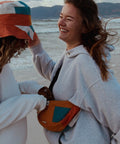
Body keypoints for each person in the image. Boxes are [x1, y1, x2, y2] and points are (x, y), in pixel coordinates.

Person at [30, 0, 120, 144]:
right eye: (61, 16)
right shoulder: (73, 54)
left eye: (69, 19)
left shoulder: (87, 64)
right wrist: (36, 48)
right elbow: (58, 76)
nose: (61, 22)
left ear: (84, 27)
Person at [0, 1, 52, 144]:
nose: (24, 44)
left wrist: (32, 89)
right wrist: (34, 101)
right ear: (6, 37)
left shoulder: (3, 65)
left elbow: (6, 94)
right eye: (21, 37)